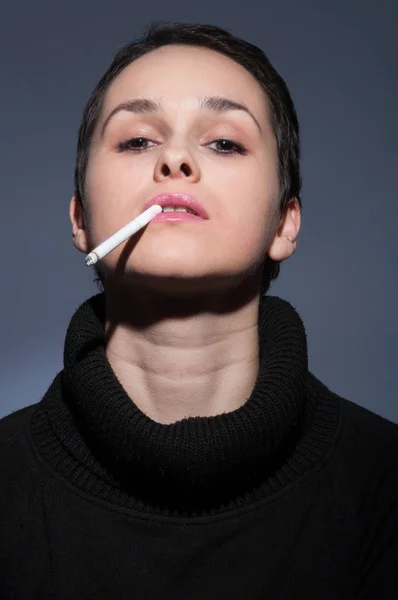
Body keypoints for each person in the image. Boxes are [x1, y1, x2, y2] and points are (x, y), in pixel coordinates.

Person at [0, 21, 397, 599]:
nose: (176, 160)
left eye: (225, 142)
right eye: (137, 140)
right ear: (81, 219)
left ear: (286, 223)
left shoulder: (383, 486)